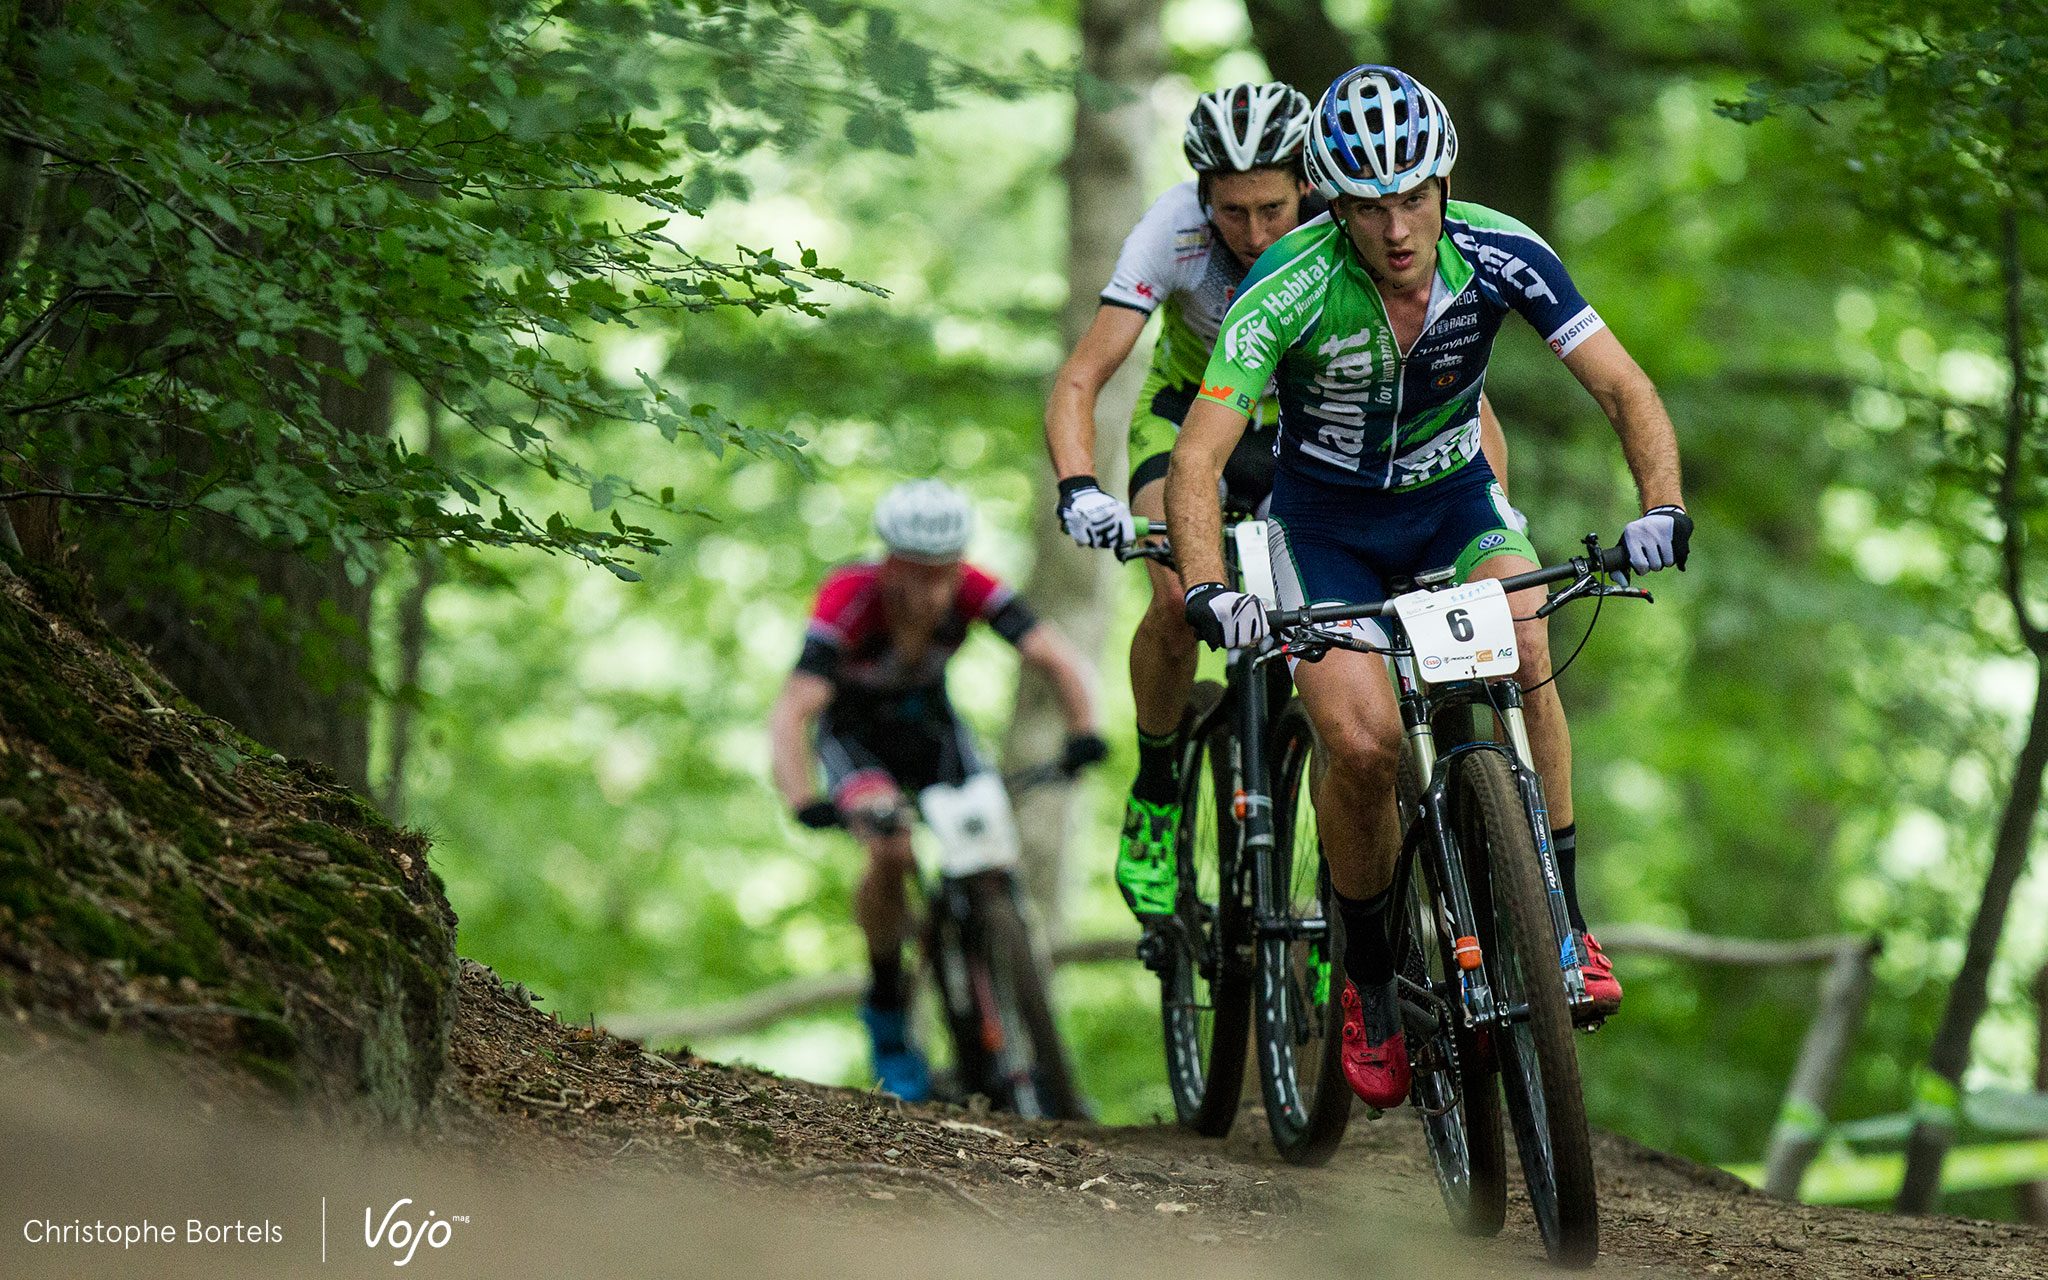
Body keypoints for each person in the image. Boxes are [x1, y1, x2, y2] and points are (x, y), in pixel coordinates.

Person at [1165, 65, 1693, 1108]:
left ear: (1442, 183)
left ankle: (1560, 914)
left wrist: (1660, 509)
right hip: (1324, 535)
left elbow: (1622, 386)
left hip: (1453, 506)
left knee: (1529, 637)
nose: (1396, 226)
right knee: (1357, 744)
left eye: (1413, 196)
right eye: (1367, 204)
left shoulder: (1502, 252)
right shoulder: (1289, 280)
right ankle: (1366, 980)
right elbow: (1194, 458)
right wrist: (1206, 587)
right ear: (1333, 201)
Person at [1044, 81, 1518, 927]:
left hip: (1317, 432)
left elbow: (1455, 396)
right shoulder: (1170, 235)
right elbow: (1084, 375)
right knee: (1170, 589)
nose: (1255, 231)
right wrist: (1079, 484)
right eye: (1233, 212)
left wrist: (1490, 520)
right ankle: (1156, 796)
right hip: (1193, 416)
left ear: (1307, 184)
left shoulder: (1355, 230)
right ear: (1202, 199)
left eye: (1272, 207)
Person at [768, 479, 1107, 1101]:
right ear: (888, 561)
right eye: (914, 572)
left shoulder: (975, 588)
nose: (930, 588)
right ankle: (887, 1000)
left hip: (934, 733)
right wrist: (803, 798)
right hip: (858, 741)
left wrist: (1085, 730)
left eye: (942, 572)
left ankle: (1007, 978)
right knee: (892, 849)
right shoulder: (849, 598)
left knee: (990, 841)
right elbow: (794, 710)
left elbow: (1054, 655)